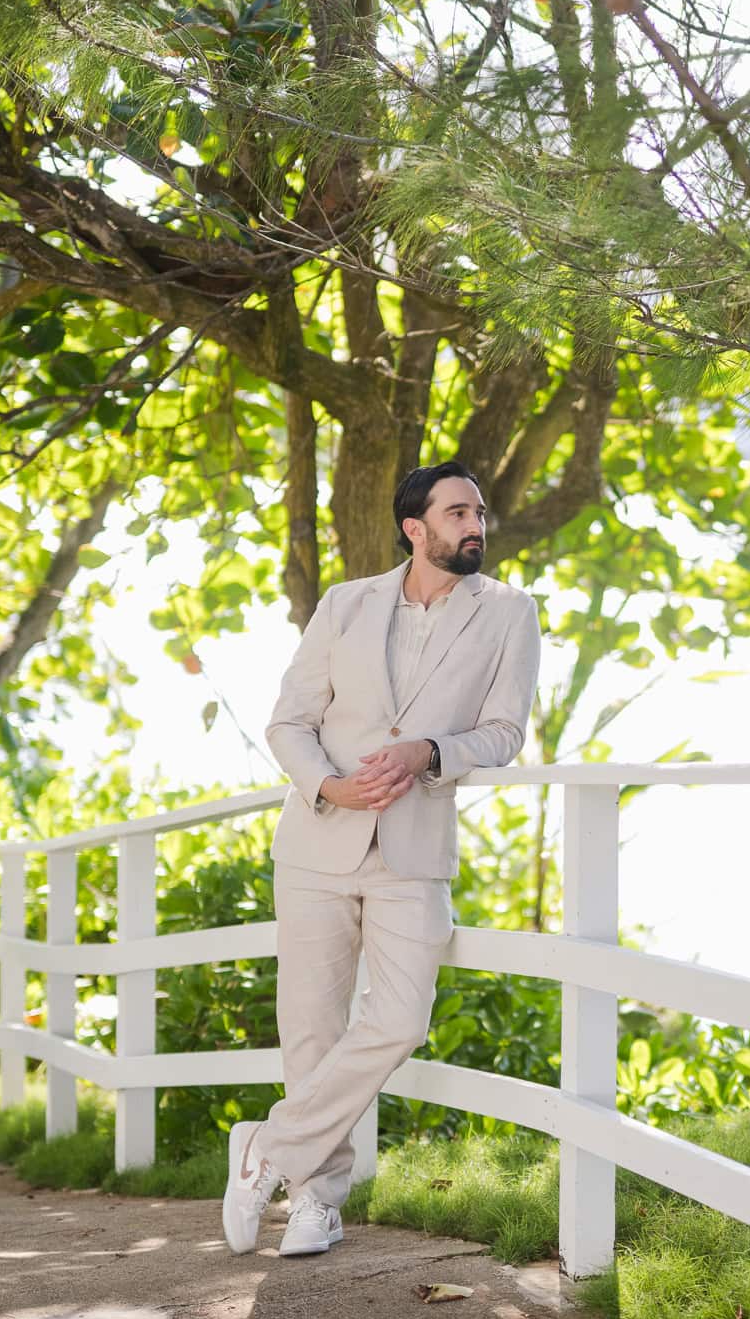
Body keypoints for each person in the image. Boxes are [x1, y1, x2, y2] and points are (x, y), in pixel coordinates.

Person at [222, 460, 542, 1256]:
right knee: (311, 1031)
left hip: (414, 848)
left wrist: (430, 750)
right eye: (459, 512)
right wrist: (329, 783)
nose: (476, 526)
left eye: (479, 512)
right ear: (415, 527)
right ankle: (316, 1202)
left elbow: (505, 733)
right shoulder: (345, 603)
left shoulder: (509, 612)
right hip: (317, 843)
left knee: (400, 1017)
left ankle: (268, 1148)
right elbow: (288, 722)